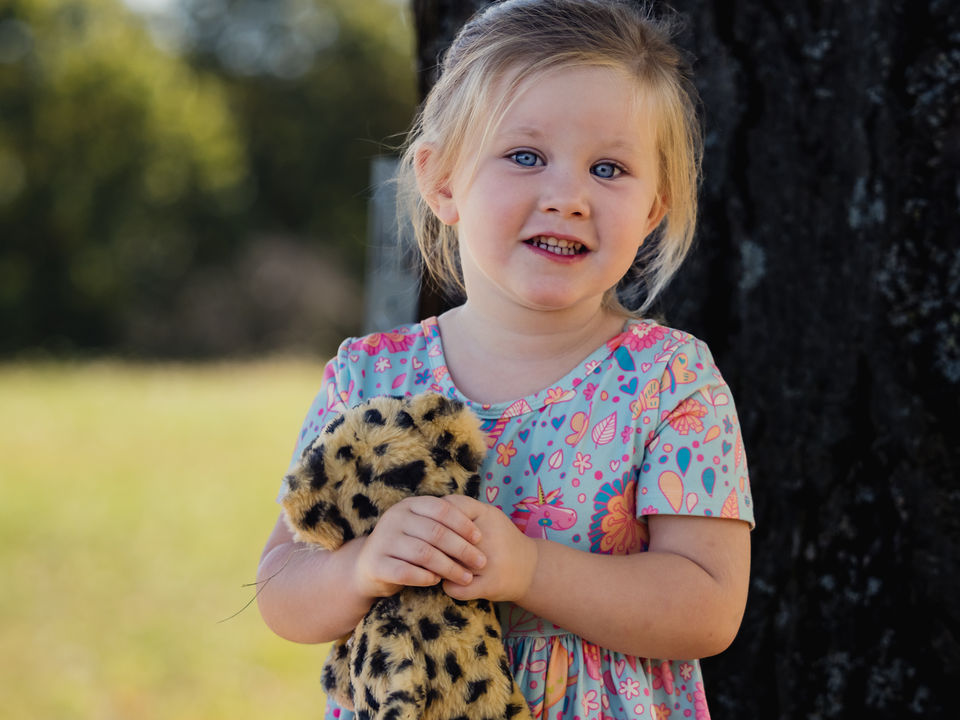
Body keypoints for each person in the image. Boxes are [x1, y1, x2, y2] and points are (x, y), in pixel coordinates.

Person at [257, 1, 755, 718]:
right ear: (442, 180)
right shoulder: (369, 375)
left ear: (653, 209)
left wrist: (528, 569)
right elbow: (281, 589)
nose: (568, 197)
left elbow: (708, 607)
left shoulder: (669, 380)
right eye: (526, 156)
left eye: (609, 168)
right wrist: (362, 567)